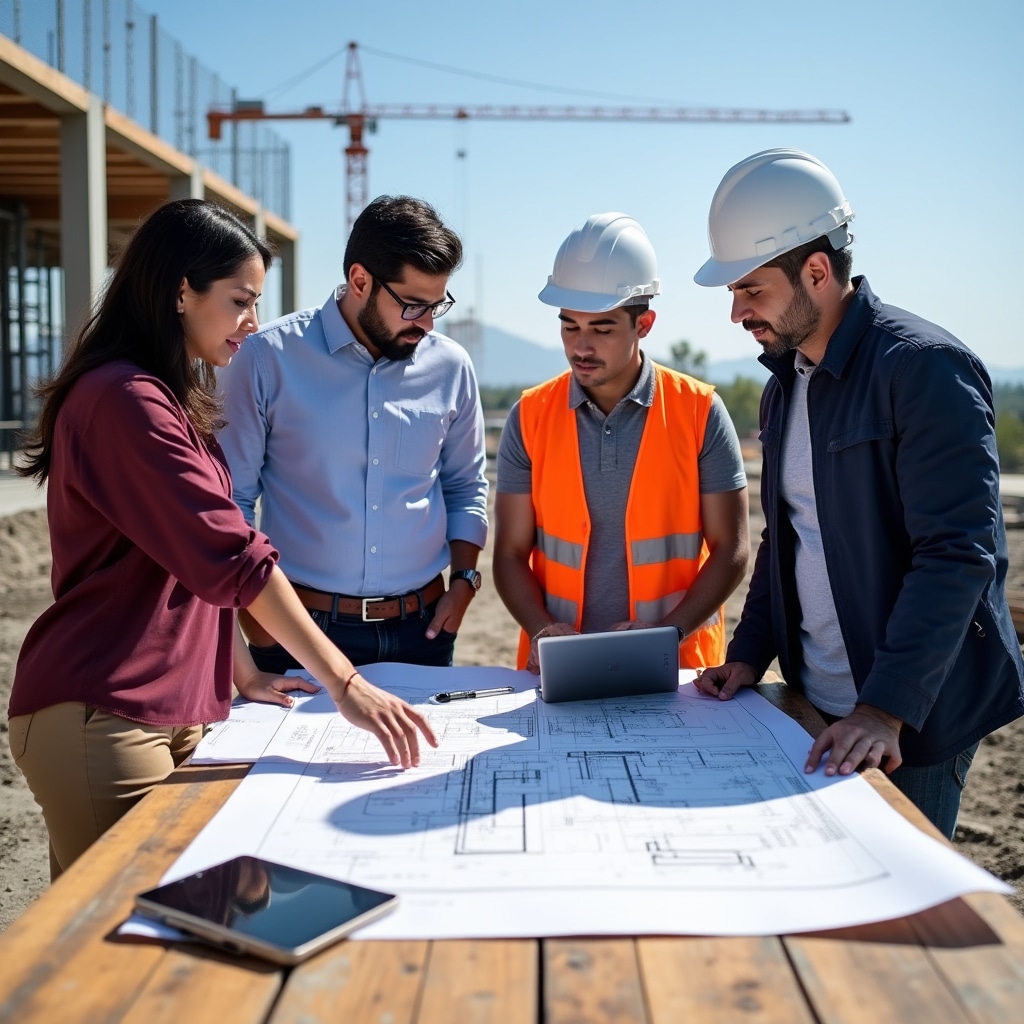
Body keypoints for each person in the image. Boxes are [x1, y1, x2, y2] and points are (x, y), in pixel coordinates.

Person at [7, 199, 437, 880]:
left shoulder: (163, 396)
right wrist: (346, 683)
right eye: (240, 300)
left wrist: (240, 671)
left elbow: (186, 562)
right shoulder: (125, 401)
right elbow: (234, 557)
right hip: (104, 712)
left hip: (164, 708)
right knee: (132, 945)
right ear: (182, 289)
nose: (252, 323)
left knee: (113, 952)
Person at [691, 148, 1024, 838]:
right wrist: (749, 655)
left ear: (815, 271)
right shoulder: (788, 384)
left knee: (897, 922)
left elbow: (959, 556)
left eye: (750, 289)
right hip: (817, 705)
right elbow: (787, 538)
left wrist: (884, 709)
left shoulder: (926, 369)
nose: (735, 313)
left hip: (911, 724)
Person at [217, 195, 488, 673]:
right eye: (413, 305)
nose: (426, 323)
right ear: (360, 280)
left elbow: (465, 486)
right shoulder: (263, 359)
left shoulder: (451, 367)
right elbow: (230, 502)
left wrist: (464, 580)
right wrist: (252, 613)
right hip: (295, 628)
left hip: (423, 632)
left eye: (436, 305)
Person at [493, 212, 750, 672]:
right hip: (553, 671)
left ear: (644, 324)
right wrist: (541, 631)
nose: (581, 347)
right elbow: (510, 553)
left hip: (679, 670)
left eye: (602, 328)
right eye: (569, 326)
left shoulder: (700, 411)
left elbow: (732, 548)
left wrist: (667, 635)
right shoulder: (530, 416)